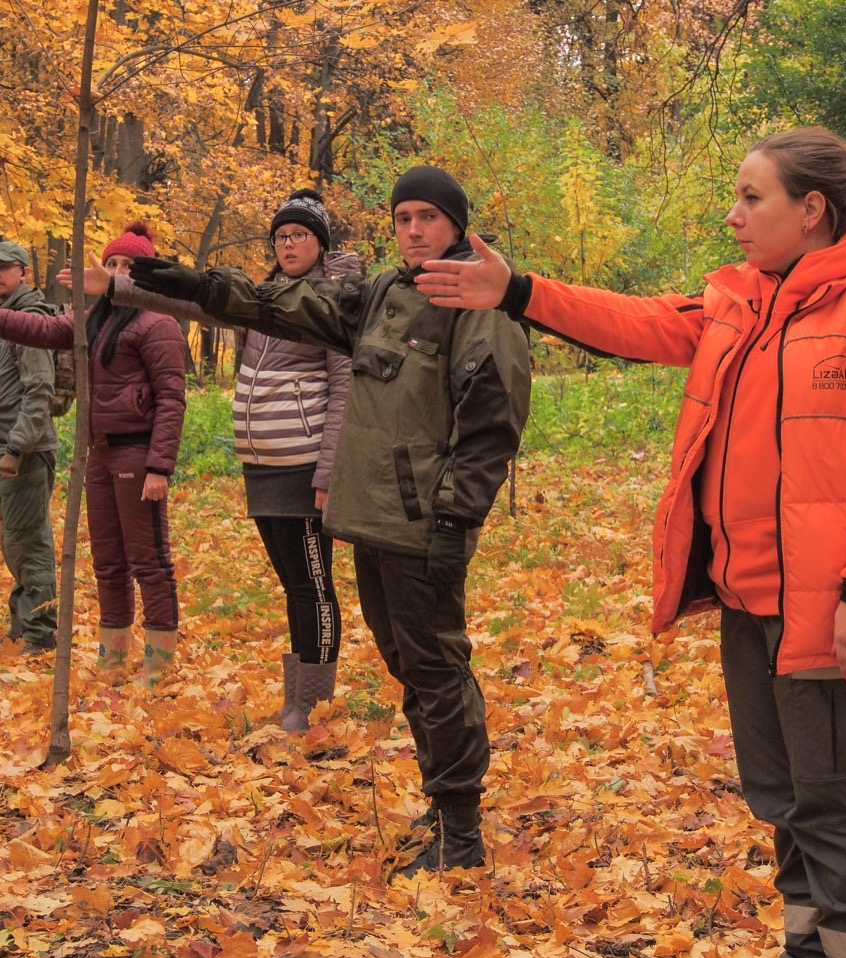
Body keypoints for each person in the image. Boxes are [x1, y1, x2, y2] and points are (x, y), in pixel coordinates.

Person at [417, 127, 846, 958]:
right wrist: (516, 289)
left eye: (751, 197)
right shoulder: (740, 306)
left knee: (838, 807)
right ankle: (810, 946)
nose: (733, 216)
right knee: (787, 804)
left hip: (838, 615)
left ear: (811, 210)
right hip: (751, 605)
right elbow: (636, 321)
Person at [85, 166, 532, 877]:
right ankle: (440, 804)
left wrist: (455, 517)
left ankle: (462, 829)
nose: (413, 230)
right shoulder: (386, 292)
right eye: (403, 217)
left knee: (438, 669)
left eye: (428, 218)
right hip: (374, 517)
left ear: (457, 224)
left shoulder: (481, 303)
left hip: (427, 527)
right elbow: (276, 307)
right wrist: (190, 283)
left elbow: (492, 427)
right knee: (408, 667)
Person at [0, 224, 186, 686]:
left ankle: (159, 668)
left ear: (143, 276)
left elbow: (171, 399)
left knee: (149, 560)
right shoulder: (93, 319)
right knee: (108, 561)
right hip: (99, 455)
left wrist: (159, 465)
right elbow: (37, 328)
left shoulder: (157, 324)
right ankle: (112, 660)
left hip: (138, 455)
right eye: (113, 263)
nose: (117, 272)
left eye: (128, 267)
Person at [238, 189, 356, 732]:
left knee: (313, 583)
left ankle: (314, 703)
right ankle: (296, 698)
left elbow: (343, 387)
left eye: (299, 235)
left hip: (305, 468)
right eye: (281, 236)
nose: (288, 244)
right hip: (262, 466)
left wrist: (327, 474)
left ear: (320, 242)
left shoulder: (333, 300)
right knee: (291, 582)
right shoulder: (265, 297)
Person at [0, 240, 60, 654]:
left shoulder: (29, 319)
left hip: (23, 452)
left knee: (29, 540)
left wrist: (17, 447)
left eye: (3, 268)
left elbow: (39, 389)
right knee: (13, 540)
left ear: (24, 271)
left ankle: (40, 634)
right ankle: (23, 624)